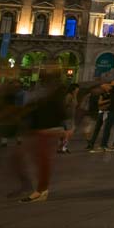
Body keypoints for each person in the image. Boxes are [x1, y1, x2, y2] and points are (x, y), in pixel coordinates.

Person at [20, 71, 68, 202]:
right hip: (40, 130)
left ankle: (41, 191)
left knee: (42, 161)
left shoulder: (54, 94)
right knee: (39, 160)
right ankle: (40, 189)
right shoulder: (45, 93)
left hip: (48, 130)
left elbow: (61, 112)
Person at [59, 83, 78, 153]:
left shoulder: (73, 96)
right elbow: (65, 104)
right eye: (77, 88)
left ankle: (62, 147)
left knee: (66, 133)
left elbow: (76, 104)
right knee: (68, 133)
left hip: (71, 116)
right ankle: (63, 147)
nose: (78, 90)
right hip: (68, 117)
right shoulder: (69, 96)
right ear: (74, 89)